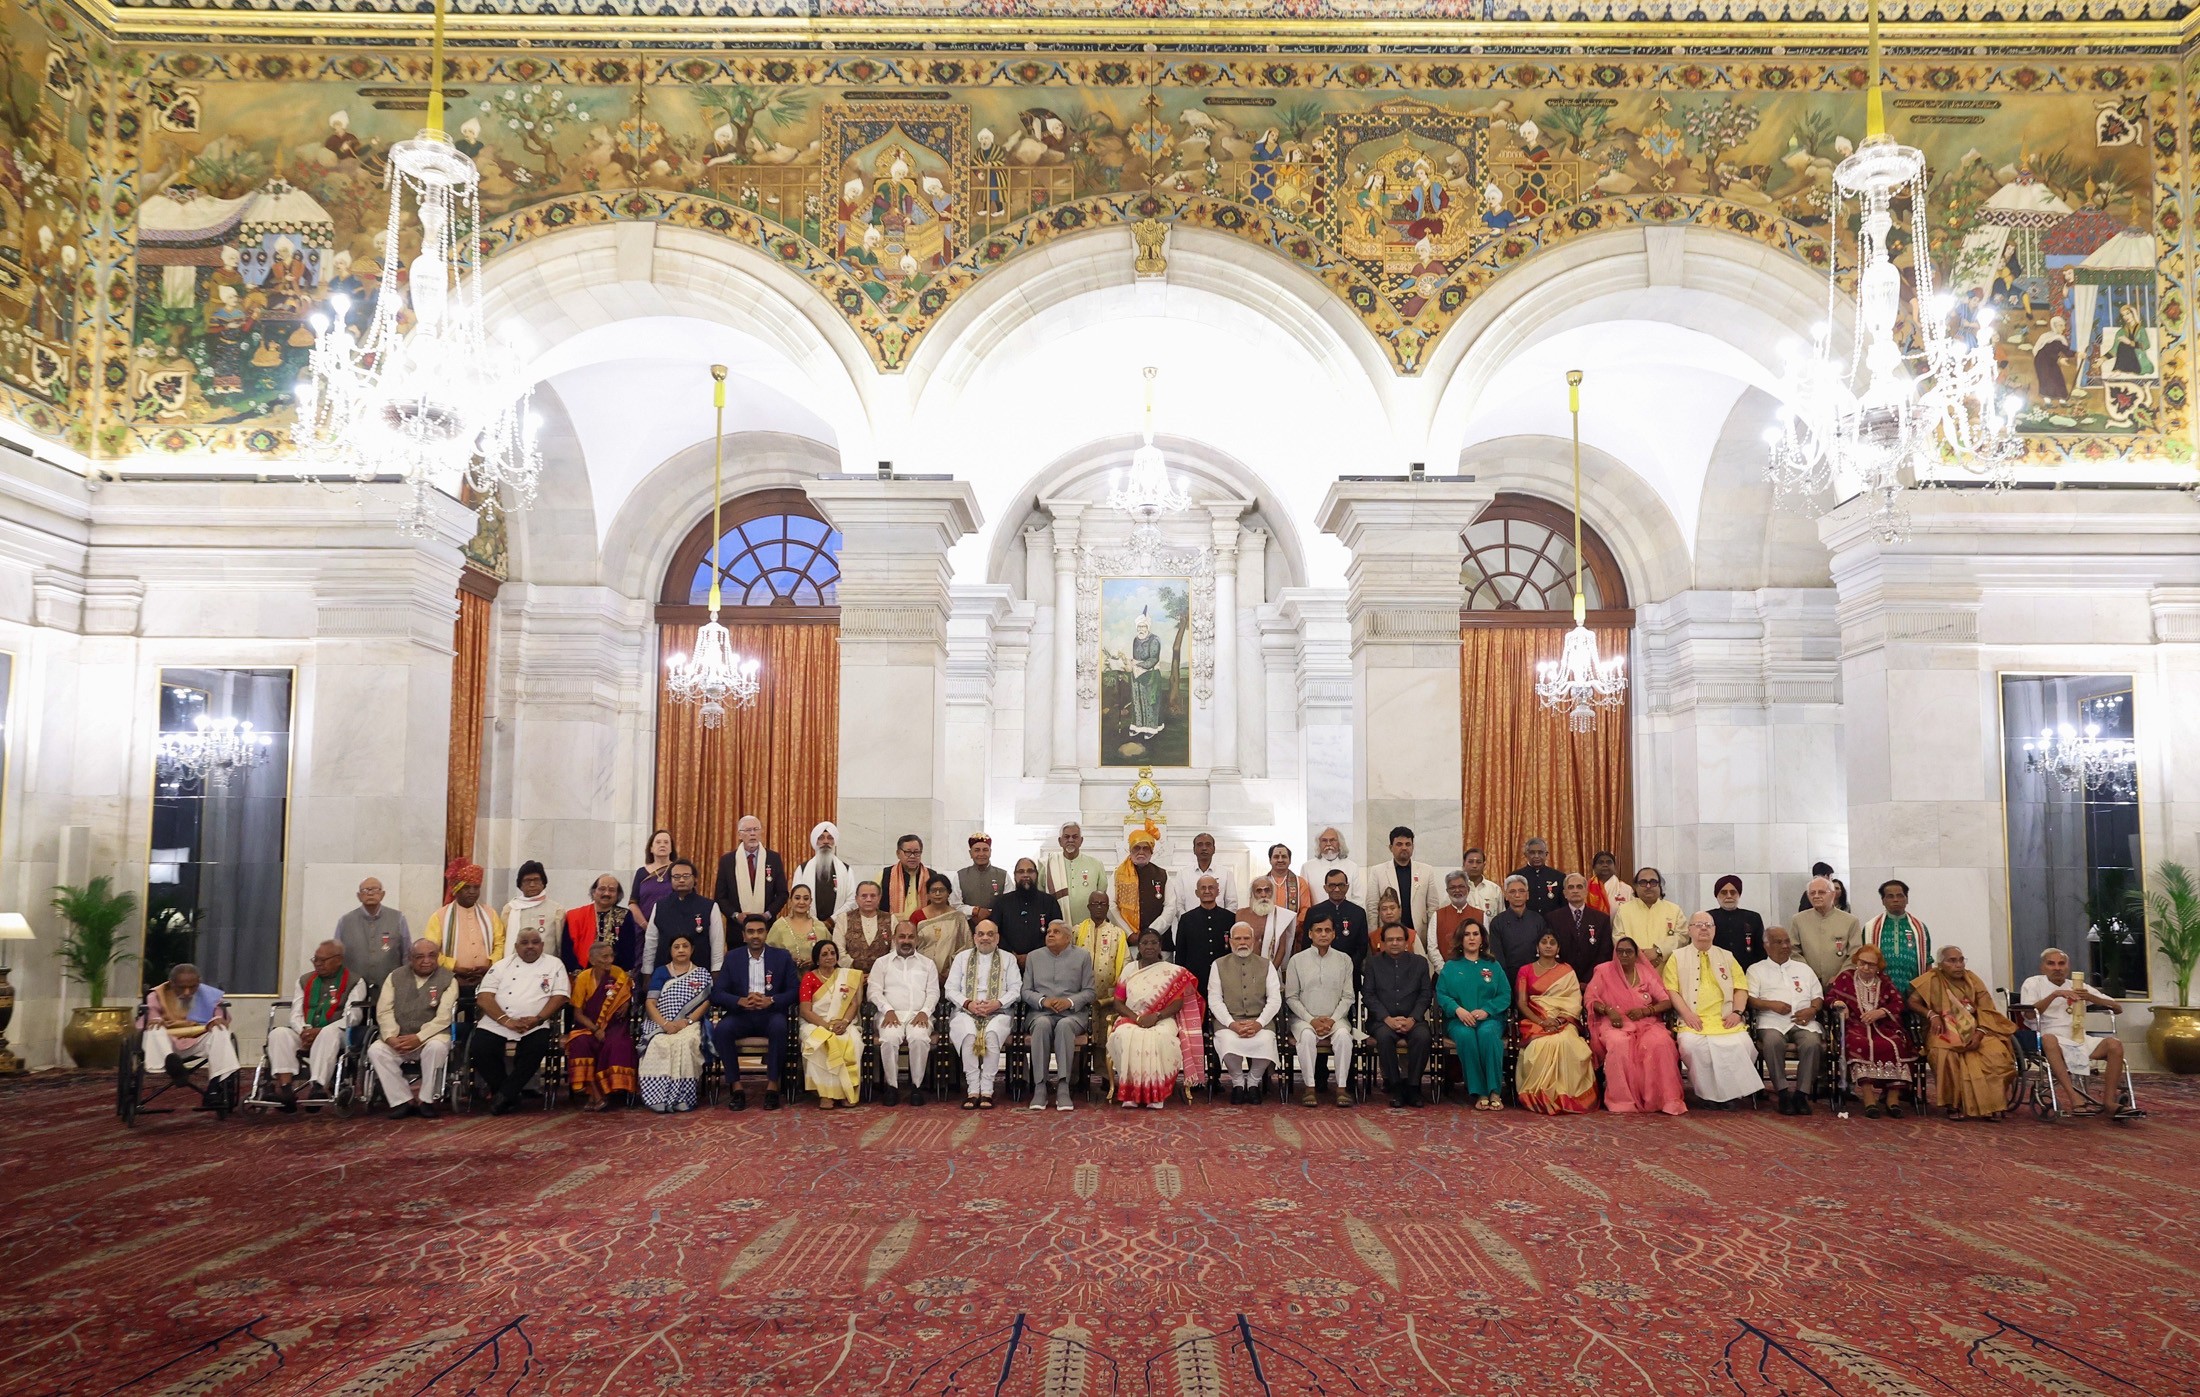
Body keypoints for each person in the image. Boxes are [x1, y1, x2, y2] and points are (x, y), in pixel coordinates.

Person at [2017, 947, 2136, 1120]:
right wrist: (2056, 995)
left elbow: (2117, 1008)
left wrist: (2091, 998)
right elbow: (2028, 1013)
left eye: (2061, 963)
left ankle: (2110, 1102)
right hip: (2047, 1035)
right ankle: (2074, 1098)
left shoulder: (2078, 985)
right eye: (2051, 964)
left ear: (2068, 966)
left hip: (2078, 1036)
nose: (2057, 968)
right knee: (2049, 1040)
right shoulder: (2033, 983)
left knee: (2114, 1044)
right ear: (2043, 967)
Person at [1662, 911, 1760, 1107]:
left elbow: (1741, 988)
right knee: (1693, 1046)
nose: (1704, 928)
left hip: (1725, 1018)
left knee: (1742, 1044)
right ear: (1689, 930)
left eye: (1708, 924)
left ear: (1715, 930)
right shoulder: (1677, 957)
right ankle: (1707, 1096)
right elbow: (1671, 990)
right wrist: (1687, 1014)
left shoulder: (1727, 956)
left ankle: (1731, 1095)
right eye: (1698, 925)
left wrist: (1737, 1012)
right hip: (1693, 1019)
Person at [469, 929, 570, 1116]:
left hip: (536, 1022)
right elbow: (484, 998)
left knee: (535, 1048)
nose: (530, 946)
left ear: (542, 945)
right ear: (516, 947)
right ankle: (509, 1094)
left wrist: (538, 1019)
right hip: (498, 1021)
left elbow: (560, 996)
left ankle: (505, 1094)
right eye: (524, 942)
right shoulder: (501, 966)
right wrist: (506, 1021)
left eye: (534, 942)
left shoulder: (554, 964)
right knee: (480, 1048)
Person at [1909, 946, 2016, 1121]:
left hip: (1977, 1028)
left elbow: (1987, 1009)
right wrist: (1931, 1014)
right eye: (1952, 961)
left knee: (1997, 1055)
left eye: (1961, 960)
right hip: (1943, 1029)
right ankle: (1954, 1104)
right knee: (1943, 1055)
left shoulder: (1972, 979)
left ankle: (1992, 1104)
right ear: (1940, 964)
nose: (1958, 965)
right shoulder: (1932, 979)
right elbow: (1912, 1001)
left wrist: (1980, 1033)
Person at [708, 914, 799, 1111]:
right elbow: (717, 993)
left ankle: (772, 1086)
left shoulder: (781, 957)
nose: (755, 936)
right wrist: (739, 1001)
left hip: (770, 1014)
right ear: (743, 936)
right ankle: (736, 1086)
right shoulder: (732, 958)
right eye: (750, 932)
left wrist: (771, 1000)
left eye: (759, 931)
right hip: (741, 1015)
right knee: (723, 1029)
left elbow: (794, 991)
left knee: (779, 1026)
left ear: (766, 934)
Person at [1584, 937, 1684, 1115]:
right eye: (1620, 951)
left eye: (1628, 951)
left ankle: (1661, 1099)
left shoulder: (1645, 972)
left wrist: (1646, 1011)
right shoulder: (1604, 971)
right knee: (1619, 1043)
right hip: (1615, 1023)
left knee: (1661, 1043)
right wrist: (1609, 1011)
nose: (1623, 955)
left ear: (1636, 954)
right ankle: (1622, 1101)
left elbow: (1666, 1001)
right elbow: (1590, 998)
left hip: (1646, 1022)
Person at [1106, 929, 1204, 1109]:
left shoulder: (1172, 971)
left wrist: (1156, 1016)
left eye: (1153, 943)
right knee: (1124, 1036)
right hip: (1132, 1017)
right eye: (1144, 943)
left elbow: (1177, 1004)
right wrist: (1137, 1017)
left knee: (1160, 1037)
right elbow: (1118, 1003)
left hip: (1162, 1018)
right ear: (1139, 946)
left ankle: (1156, 1094)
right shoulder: (1129, 969)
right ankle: (1132, 1093)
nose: (1149, 947)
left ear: (1160, 946)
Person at [266, 939, 364, 1111]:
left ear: (339, 959)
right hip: (306, 1031)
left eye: (323, 960)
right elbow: (295, 1014)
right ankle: (285, 1089)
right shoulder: (304, 981)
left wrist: (320, 1031)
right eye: (315, 959)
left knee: (329, 1033)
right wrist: (304, 1031)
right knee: (278, 1033)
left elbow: (353, 1016)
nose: (318, 964)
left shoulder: (355, 981)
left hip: (339, 1033)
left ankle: (317, 1088)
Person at [368, 939, 456, 1119]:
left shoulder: (449, 979)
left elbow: (444, 1017)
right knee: (376, 1050)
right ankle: (402, 1100)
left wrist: (420, 1037)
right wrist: (391, 1037)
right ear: (410, 958)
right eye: (420, 957)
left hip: (432, 1036)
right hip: (398, 1037)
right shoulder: (395, 977)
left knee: (437, 1048)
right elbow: (384, 1010)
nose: (426, 961)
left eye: (432, 956)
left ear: (438, 956)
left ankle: (426, 1100)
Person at [1825, 944, 1915, 1118]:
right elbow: (1830, 997)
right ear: (1856, 961)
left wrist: (1881, 1012)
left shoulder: (1884, 981)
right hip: (1855, 1025)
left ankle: (1892, 1100)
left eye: (1871, 965)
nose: (1866, 968)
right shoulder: (1846, 978)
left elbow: (1898, 1003)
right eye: (1862, 963)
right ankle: (1869, 1099)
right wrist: (1839, 1005)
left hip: (1882, 1026)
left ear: (1878, 966)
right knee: (1860, 1043)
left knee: (1895, 1043)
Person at [1515, 931, 1596, 1114]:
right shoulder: (1525, 970)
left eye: (1552, 942)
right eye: (1544, 942)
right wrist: (1542, 1022)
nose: (1548, 945)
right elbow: (1522, 1002)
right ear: (1537, 947)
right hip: (1535, 1019)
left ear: (1558, 948)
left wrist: (1559, 1020)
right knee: (1541, 1045)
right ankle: (1539, 1094)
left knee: (1566, 1042)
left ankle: (1564, 1095)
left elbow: (1574, 1002)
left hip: (1564, 1021)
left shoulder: (1567, 971)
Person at [1746, 926, 1825, 1115]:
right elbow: (1750, 999)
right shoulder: (1756, 970)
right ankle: (1782, 1093)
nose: (1785, 946)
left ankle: (1801, 1094)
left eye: (1787, 941)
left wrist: (1812, 1010)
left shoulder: (1803, 969)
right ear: (1766, 946)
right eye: (1778, 942)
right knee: (1772, 1042)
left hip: (1802, 1022)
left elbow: (1818, 996)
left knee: (1813, 1043)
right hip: (1771, 1021)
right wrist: (1771, 1005)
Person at [1286, 910, 1357, 1108]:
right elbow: (1291, 997)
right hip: (1303, 1020)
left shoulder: (1344, 960)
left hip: (1336, 1018)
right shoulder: (1297, 961)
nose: (1323, 934)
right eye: (1318, 930)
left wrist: (1333, 1019)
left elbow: (1348, 996)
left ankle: (1342, 1088)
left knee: (1343, 1036)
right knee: (1307, 1036)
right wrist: (1311, 1020)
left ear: (1334, 934)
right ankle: (1310, 1087)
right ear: (1310, 934)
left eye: (1327, 930)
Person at [1021, 920, 1094, 1111]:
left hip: (1072, 1014)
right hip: (1040, 1012)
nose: (1050, 935)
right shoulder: (1034, 957)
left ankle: (1063, 1086)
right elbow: (1025, 991)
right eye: (1049, 932)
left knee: (1064, 1026)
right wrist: (1043, 1000)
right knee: (1043, 1024)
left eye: (1057, 932)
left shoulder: (1082, 956)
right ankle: (1040, 1087)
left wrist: (1068, 1002)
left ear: (1068, 938)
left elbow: (1089, 991)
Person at [947, 920, 1021, 1108]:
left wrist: (996, 1003)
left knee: (991, 1035)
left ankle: (987, 1090)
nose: (985, 938)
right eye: (981, 934)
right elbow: (950, 989)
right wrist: (968, 1003)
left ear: (997, 938)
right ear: (974, 937)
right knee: (968, 1035)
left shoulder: (1008, 959)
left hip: (999, 1011)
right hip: (965, 1010)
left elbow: (1015, 989)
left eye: (990, 934)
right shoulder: (962, 958)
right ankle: (973, 1090)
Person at [1437, 921, 1510, 1111]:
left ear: (1482, 939)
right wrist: (1458, 1010)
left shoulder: (1493, 966)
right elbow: (1442, 994)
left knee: (1487, 1034)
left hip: (1490, 1019)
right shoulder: (1451, 966)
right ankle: (1479, 1092)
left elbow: (1505, 994)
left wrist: (1487, 1010)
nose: (1471, 938)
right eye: (1467, 934)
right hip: (1459, 1021)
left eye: (1475, 934)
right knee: (1467, 1036)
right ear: (1461, 940)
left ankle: (1494, 1091)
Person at [1209, 924, 1283, 1103]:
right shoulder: (1218, 965)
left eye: (1246, 938)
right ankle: (1237, 1082)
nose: (1242, 942)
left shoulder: (1266, 965)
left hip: (1260, 1021)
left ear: (1254, 941)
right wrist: (1231, 1024)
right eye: (1238, 939)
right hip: (1229, 1021)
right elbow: (1214, 999)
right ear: (1230, 941)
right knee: (1227, 1039)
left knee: (1265, 1040)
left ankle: (1253, 1081)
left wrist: (1259, 1023)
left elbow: (1274, 999)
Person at [868, 923, 941, 1105]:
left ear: (916, 939)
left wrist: (925, 1012)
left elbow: (933, 992)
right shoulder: (882, 963)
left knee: (919, 1038)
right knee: (890, 1038)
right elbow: (873, 992)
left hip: (919, 1013)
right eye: (902, 937)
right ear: (894, 939)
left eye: (910, 937)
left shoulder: (928, 964)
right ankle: (892, 1087)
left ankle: (916, 1087)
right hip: (890, 1014)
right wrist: (888, 1010)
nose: (906, 941)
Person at [639, 932, 711, 1113]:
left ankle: (683, 1097)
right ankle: (658, 1096)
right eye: (676, 947)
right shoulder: (661, 972)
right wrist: (665, 1024)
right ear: (670, 951)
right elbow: (650, 1002)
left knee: (686, 1043)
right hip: (661, 1023)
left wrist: (686, 1021)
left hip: (690, 1023)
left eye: (685, 946)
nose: (681, 950)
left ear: (692, 950)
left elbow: (706, 1002)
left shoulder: (701, 973)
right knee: (658, 1044)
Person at [564, 936, 638, 1112]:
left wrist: (627, 1003)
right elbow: (578, 1013)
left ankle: (606, 1092)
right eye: (604, 957)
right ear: (592, 960)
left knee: (620, 1044)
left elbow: (626, 995)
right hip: (588, 1026)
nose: (609, 960)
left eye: (611, 956)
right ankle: (595, 1093)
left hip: (615, 1026)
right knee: (580, 1043)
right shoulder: (583, 978)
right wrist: (595, 1029)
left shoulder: (618, 973)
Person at [1363, 923, 1432, 1109]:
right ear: (1383, 942)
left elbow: (1426, 994)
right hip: (1382, 1021)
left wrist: (1413, 1019)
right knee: (1384, 1037)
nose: (1395, 943)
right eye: (1390, 939)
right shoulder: (1373, 963)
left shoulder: (1419, 962)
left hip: (1413, 1019)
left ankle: (1413, 1086)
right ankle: (1396, 1087)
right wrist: (1387, 1019)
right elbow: (1368, 995)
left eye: (1399, 939)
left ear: (1407, 942)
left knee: (1423, 1036)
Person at [144, 963, 239, 1095]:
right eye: (182, 988)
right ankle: (173, 1066)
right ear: (172, 983)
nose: (187, 992)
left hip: (198, 1040)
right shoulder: (157, 995)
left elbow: (220, 1014)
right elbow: (150, 1017)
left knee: (220, 1030)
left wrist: (216, 1020)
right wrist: (156, 1020)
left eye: (192, 987)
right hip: (167, 1045)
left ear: (198, 982)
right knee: (153, 1029)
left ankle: (216, 1085)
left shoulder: (210, 995)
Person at [798, 940, 865, 1110]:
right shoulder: (809, 978)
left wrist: (843, 1022)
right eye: (824, 954)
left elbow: (853, 1005)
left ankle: (847, 1092)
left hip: (843, 1022)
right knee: (819, 1043)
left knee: (854, 1042)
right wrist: (826, 1026)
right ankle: (826, 1094)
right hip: (815, 1022)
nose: (830, 957)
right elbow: (805, 1010)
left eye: (833, 953)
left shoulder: (847, 976)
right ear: (817, 959)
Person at [425, 858, 505, 988]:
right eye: (467, 887)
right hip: (450, 980)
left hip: (487, 978)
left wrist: (490, 965)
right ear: (456, 890)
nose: (472, 891)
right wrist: (454, 967)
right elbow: (432, 951)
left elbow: (500, 943)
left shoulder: (490, 914)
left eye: (476, 887)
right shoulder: (439, 917)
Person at [640, 858, 725, 977]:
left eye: (686, 876)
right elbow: (651, 941)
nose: (681, 880)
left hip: (699, 972)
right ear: (670, 880)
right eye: (676, 876)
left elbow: (717, 943)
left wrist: (716, 971)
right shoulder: (660, 906)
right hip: (665, 971)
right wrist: (647, 972)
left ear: (695, 879)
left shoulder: (709, 906)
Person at [336, 877, 411, 989]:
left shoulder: (398, 918)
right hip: (353, 989)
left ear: (383, 894)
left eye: (375, 889)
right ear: (359, 896)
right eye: (365, 890)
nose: (370, 893)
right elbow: (337, 956)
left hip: (390, 987)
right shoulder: (345, 921)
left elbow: (407, 954)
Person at [715, 814, 788, 926]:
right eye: (748, 830)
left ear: (761, 832)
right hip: (738, 929)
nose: (753, 833)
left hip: (767, 925)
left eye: (756, 829)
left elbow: (782, 894)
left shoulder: (773, 858)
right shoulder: (727, 861)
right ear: (739, 834)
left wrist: (767, 915)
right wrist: (736, 915)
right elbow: (720, 897)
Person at [562, 874, 642, 976]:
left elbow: (629, 950)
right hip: (581, 976)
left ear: (618, 895)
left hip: (615, 977)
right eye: (602, 889)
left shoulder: (625, 915)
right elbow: (566, 950)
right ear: (594, 892)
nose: (606, 893)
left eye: (612, 890)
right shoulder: (574, 916)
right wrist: (578, 974)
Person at [1171, 874, 1237, 995]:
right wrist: (1183, 981)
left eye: (1211, 887)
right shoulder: (1186, 919)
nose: (1207, 891)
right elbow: (1180, 954)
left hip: (1224, 978)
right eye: (1203, 888)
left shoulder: (1230, 918)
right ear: (1197, 893)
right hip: (1195, 980)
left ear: (1218, 891)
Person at [1865, 881, 1933, 993]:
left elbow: (1927, 962)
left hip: (1913, 991)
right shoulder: (1870, 928)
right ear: (1883, 901)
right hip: (1880, 991)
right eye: (1890, 896)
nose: (1895, 899)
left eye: (1900, 895)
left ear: (1907, 899)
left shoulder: (1920, 928)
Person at [1791, 875, 1861, 985]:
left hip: (1842, 983)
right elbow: (1793, 950)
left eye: (1821, 892)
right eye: (1812, 893)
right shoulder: (1798, 920)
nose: (1816, 896)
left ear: (1833, 894)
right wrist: (1808, 974)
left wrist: (1840, 976)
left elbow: (1855, 953)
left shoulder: (1850, 921)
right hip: (1806, 982)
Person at [1545, 872, 1612, 984]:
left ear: (1586, 892)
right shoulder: (1552, 918)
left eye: (1579, 887)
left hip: (1594, 980)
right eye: (1571, 887)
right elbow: (1551, 951)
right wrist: (1568, 978)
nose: (1575, 890)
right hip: (1562, 981)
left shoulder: (1602, 919)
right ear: (1565, 893)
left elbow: (1604, 953)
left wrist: (1590, 979)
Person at [1377, 826, 1441, 939]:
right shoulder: (1377, 871)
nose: (1404, 848)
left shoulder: (1426, 871)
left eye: (1408, 844)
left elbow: (1432, 907)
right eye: (1399, 844)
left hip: (1418, 933)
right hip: (1388, 935)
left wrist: (1433, 937)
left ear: (1413, 846)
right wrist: (1375, 937)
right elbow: (1372, 908)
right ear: (1391, 847)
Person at [1613, 868, 1685, 967]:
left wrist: (1658, 951)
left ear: (1660, 885)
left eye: (1653, 882)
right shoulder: (1623, 910)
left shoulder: (1674, 910)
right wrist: (1640, 956)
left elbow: (1682, 937)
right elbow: (1618, 938)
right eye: (1643, 882)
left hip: (1666, 970)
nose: (1648, 886)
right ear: (1636, 886)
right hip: (1634, 969)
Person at [1304, 868, 1371, 971]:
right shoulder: (1314, 912)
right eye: (1332, 885)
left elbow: (1362, 947)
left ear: (1347, 887)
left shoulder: (1358, 912)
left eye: (1341, 885)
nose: (1337, 889)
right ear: (1325, 888)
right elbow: (1306, 944)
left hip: (1351, 971)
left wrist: (1348, 966)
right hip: (1319, 969)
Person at [501, 861, 561, 965]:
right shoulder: (510, 909)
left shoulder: (557, 910)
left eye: (536, 880)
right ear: (520, 885)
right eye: (527, 881)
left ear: (543, 883)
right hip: (515, 967)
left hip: (546, 968)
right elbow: (502, 940)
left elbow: (560, 945)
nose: (532, 885)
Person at [1489, 875, 1547, 980]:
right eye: (1512, 891)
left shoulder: (1538, 920)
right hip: (1507, 977)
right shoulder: (1497, 922)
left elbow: (1544, 950)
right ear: (1506, 895)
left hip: (1535, 976)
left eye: (1521, 891)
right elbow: (1497, 955)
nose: (1517, 895)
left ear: (1527, 895)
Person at [915, 873, 973, 976]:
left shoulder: (958, 918)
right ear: (927, 894)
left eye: (941, 890)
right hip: (921, 972)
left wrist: (950, 972)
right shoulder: (917, 917)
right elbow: (911, 945)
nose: (937, 894)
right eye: (933, 890)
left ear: (949, 893)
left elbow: (966, 947)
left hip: (952, 974)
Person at [1239, 875, 1300, 973]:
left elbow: (1282, 949)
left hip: (1271, 970)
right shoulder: (1241, 914)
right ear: (1252, 894)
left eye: (1267, 890)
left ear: (1272, 893)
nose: (1263, 895)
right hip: (1244, 970)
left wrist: (1270, 973)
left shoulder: (1281, 915)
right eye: (1259, 891)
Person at [1115, 834, 1171, 939]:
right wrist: (1128, 933)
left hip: (1158, 941)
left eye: (1145, 848)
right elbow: (1111, 906)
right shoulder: (1118, 874)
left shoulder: (1162, 874)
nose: (1141, 852)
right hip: (1127, 941)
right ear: (1130, 851)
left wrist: (1152, 932)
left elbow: (1170, 907)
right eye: (1136, 847)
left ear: (1151, 852)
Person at [793, 822, 853, 921]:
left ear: (835, 842)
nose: (826, 842)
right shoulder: (802, 869)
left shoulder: (846, 870)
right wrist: (815, 922)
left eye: (830, 838)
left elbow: (851, 901)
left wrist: (832, 921)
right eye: (821, 838)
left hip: (838, 925)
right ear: (815, 841)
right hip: (808, 924)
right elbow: (796, 899)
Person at [1041, 823, 1107, 911]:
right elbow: (1039, 896)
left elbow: (1102, 898)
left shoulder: (1096, 864)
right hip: (1057, 922)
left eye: (1075, 837)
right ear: (1060, 841)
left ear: (1081, 841)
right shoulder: (1047, 865)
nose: (1071, 840)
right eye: (1066, 837)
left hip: (1088, 923)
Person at [1171, 832, 1238, 916]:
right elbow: (1178, 904)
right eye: (1199, 845)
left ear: (1214, 849)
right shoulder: (1183, 873)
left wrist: (1221, 921)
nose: (1204, 848)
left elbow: (1232, 904)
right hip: (1190, 925)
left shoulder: (1226, 873)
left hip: (1219, 925)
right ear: (1194, 849)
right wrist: (1188, 921)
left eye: (1208, 844)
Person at [768, 882, 832, 969]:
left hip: (816, 978)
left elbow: (831, 953)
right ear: (790, 901)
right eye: (797, 898)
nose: (801, 902)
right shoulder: (779, 926)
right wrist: (787, 960)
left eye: (806, 899)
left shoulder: (819, 927)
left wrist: (816, 959)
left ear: (810, 902)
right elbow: (769, 954)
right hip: (787, 977)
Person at [881, 833, 940, 925]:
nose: (912, 856)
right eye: (908, 852)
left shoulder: (932, 876)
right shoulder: (884, 875)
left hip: (924, 927)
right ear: (898, 853)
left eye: (916, 852)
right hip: (893, 929)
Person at [838, 880, 893, 971]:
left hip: (883, 974)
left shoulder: (891, 919)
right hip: (851, 975)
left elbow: (894, 950)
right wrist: (856, 972)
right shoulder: (843, 919)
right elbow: (839, 951)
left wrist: (878, 973)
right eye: (864, 896)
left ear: (879, 898)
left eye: (873, 896)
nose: (868, 899)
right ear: (856, 898)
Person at [1432, 871, 1486, 966]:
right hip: (1445, 973)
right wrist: (1446, 971)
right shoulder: (1437, 915)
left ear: (1468, 889)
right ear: (1447, 891)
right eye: (1452, 887)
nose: (1457, 890)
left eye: (1461, 886)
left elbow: (1486, 945)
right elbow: (1432, 948)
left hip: (1474, 972)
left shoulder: (1481, 915)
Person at [1709, 876, 1765, 966]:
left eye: (1733, 892)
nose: (1729, 896)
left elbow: (1761, 950)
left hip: (1748, 970)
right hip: (1716, 970)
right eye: (1724, 893)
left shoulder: (1753, 918)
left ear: (1739, 894)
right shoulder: (1707, 917)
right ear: (1717, 896)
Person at [956, 833, 1010, 921]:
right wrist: (974, 911)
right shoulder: (959, 876)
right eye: (977, 850)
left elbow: (1009, 904)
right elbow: (955, 905)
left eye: (985, 850)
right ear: (970, 853)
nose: (981, 854)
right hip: (968, 927)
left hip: (996, 927)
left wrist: (988, 913)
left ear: (990, 852)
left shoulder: (1004, 875)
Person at [1301, 827, 1357, 908]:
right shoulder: (1307, 867)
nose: (1328, 844)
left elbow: (1357, 898)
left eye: (1332, 840)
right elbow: (1304, 899)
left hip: (1346, 917)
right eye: (1324, 840)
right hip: (1317, 917)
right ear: (1319, 844)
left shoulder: (1352, 867)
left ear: (1340, 843)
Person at [1508, 837, 1565, 915]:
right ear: (1525, 855)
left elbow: (1563, 905)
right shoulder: (1515, 877)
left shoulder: (1558, 877)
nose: (1536, 856)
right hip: (1524, 924)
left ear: (1546, 854)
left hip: (1552, 924)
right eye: (1532, 853)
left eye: (1540, 852)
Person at [633, 828, 679, 925]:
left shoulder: (678, 871)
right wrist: (644, 925)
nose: (662, 845)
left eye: (666, 842)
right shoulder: (641, 872)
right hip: (643, 929)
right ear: (651, 848)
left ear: (671, 848)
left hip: (672, 927)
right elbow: (633, 903)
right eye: (658, 842)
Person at [1264, 844, 1313, 920]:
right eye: (1276, 857)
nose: (1280, 860)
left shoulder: (1300, 882)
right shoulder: (1261, 883)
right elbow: (1255, 907)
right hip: (1265, 929)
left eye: (1284, 856)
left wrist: (1294, 926)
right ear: (1270, 860)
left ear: (1290, 860)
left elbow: (1305, 909)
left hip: (1294, 929)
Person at [1459, 847, 1504, 923]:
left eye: (1478, 862)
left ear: (1484, 865)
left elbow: (1502, 917)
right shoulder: (1457, 889)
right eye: (1470, 862)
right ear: (1464, 864)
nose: (1474, 865)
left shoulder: (1494, 889)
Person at [1590, 851, 1631, 916]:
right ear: (1593, 867)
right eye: (1600, 862)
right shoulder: (1586, 888)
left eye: (1609, 862)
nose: (1605, 865)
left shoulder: (1626, 889)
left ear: (1615, 867)